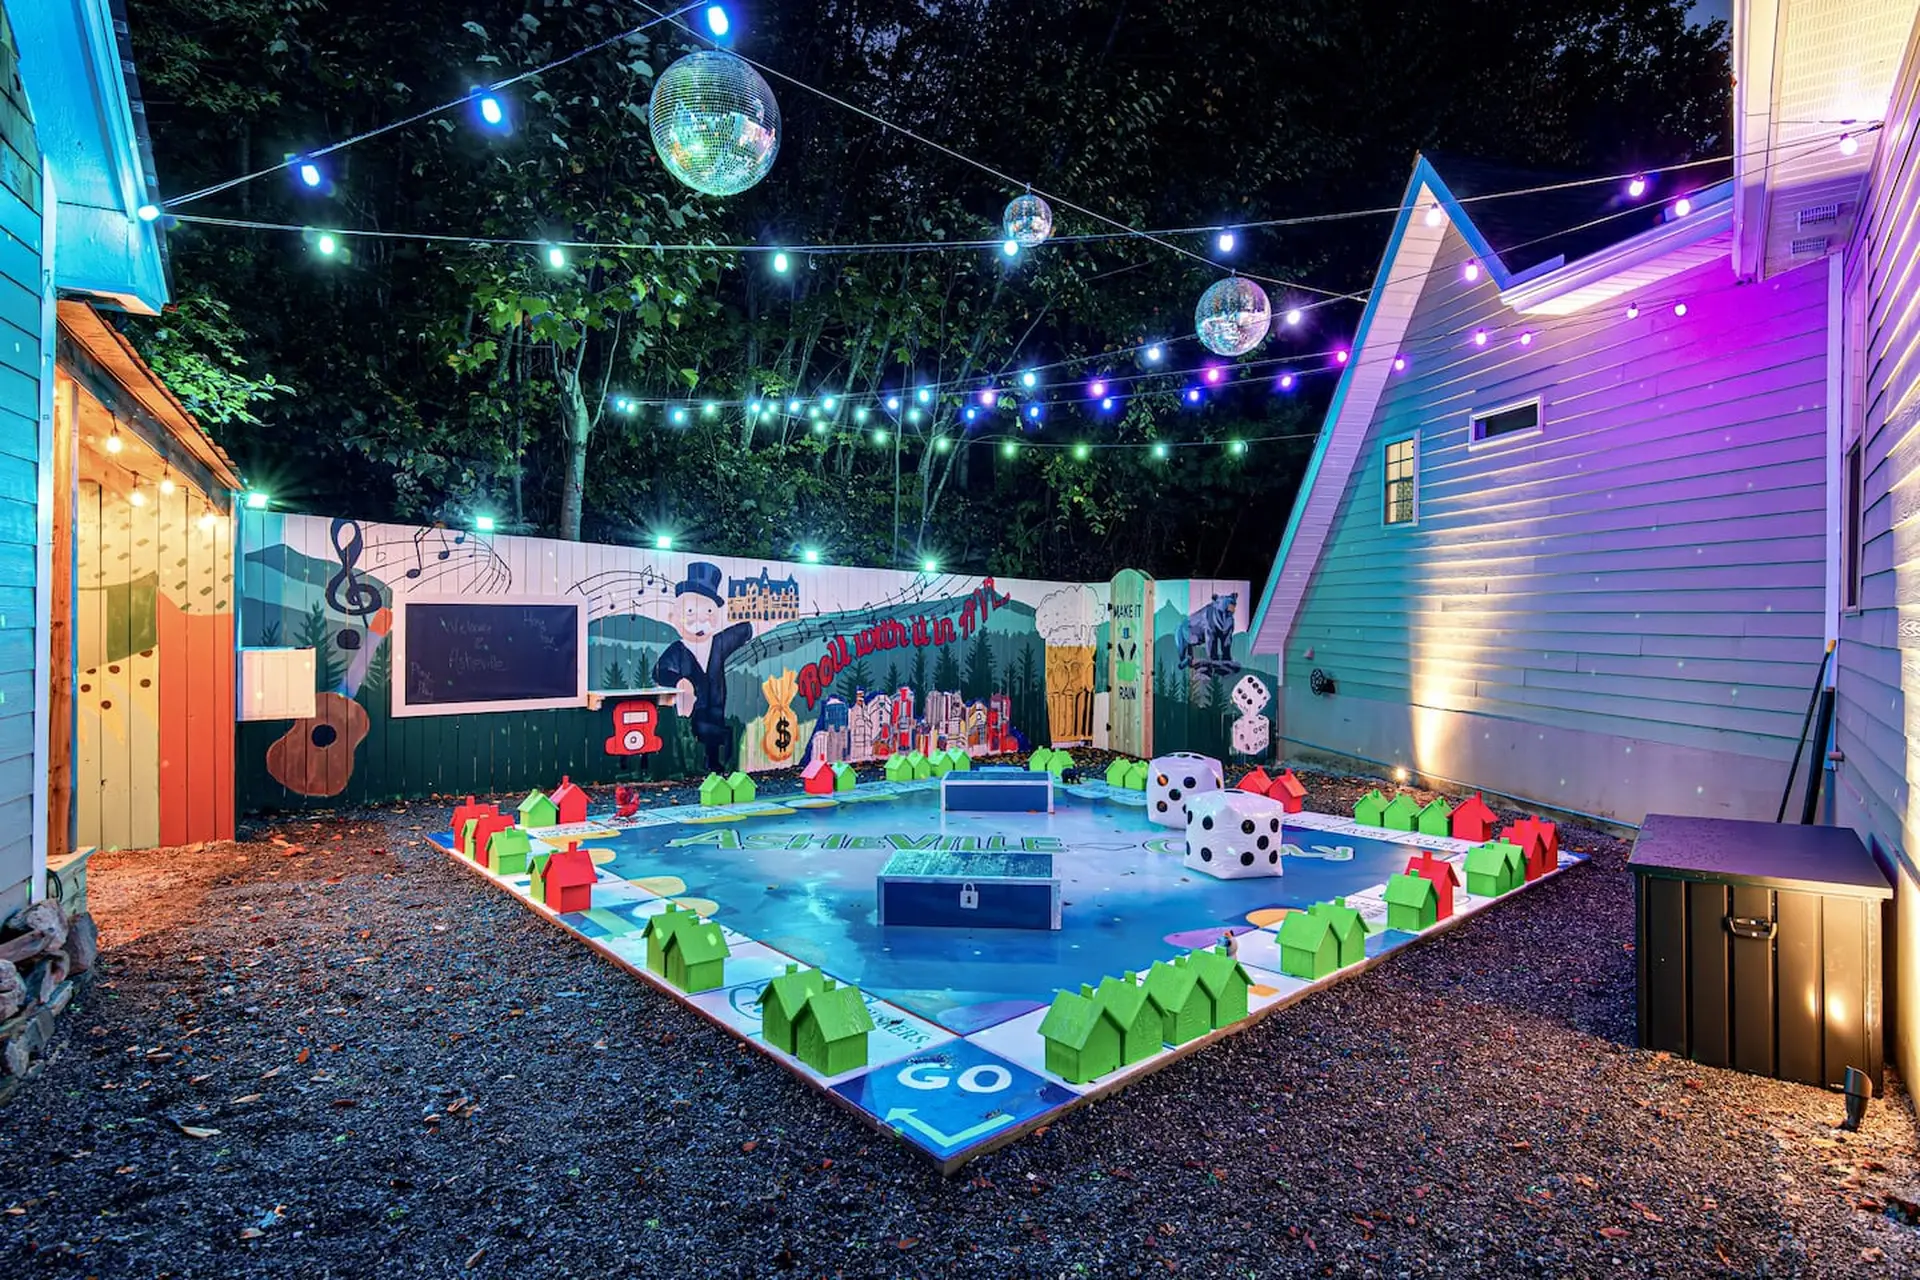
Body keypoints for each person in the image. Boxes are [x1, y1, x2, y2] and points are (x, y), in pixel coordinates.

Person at [652, 562, 753, 772]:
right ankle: (695, 765)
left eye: (708, 611)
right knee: (694, 735)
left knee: (716, 735)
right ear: (674, 618)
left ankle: (714, 764)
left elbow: (743, 631)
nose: (700, 618)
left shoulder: (718, 643)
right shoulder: (677, 650)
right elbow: (660, 671)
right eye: (690, 611)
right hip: (693, 710)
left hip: (717, 705)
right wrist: (679, 681)